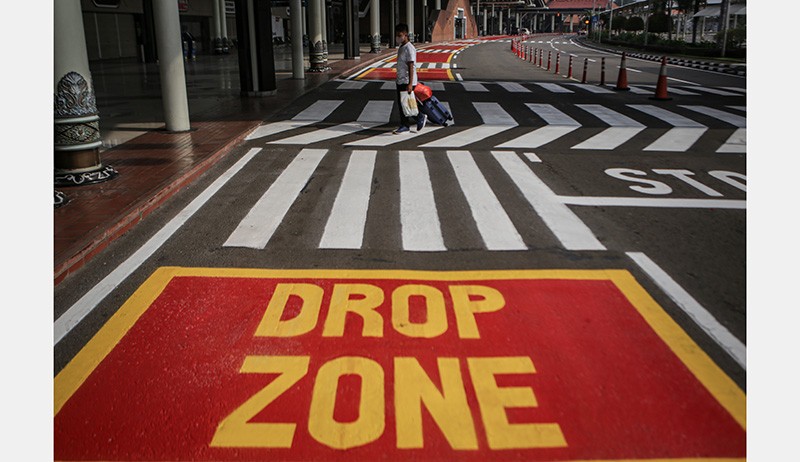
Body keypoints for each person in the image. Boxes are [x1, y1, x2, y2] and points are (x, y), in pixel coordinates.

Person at [393, 23, 426, 134]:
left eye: (400, 35)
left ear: (406, 34)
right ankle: (412, 121)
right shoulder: (402, 47)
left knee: (405, 103)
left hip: (407, 80)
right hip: (401, 79)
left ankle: (413, 120)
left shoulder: (409, 48)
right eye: (397, 35)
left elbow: (411, 67)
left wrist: (410, 84)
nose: (398, 37)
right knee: (404, 103)